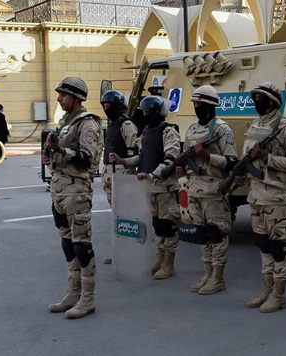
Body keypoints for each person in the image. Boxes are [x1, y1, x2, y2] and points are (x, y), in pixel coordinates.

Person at [236, 82, 286, 313]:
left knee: (279, 247)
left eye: (261, 98)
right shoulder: (255, 125)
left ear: (272, 101)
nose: (257, 102)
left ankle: (279, 294)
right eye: (255, 99)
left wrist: (268, 158)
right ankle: (266, 289)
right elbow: (247, 159)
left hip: (276, 198)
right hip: (256, 197)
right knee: (263, 245)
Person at [42, 76, 102, 319]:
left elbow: (87, 159)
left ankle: (87, 299)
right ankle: (73, 293)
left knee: (81, 244)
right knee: (67, 243)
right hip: (59, 191)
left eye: (63, 95)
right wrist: (51, 156)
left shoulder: (88, 124)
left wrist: (60, 151)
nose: (59, 99)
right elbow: (62, 154)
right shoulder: (66, 122)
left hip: (77, 191)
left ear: (76, 98)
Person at [110, 95, 181, 280]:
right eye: (143, 112)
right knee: (157, 226)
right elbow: (142, 158)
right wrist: (123, 161)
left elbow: (170, 159)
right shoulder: (148, 131)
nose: (144, 115)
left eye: (147, 112)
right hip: (150, 188)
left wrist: (152, 175)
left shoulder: (168, 131)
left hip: (164, 187)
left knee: (168, 225)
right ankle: (160, 259)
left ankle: (168, 264)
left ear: (156, 112)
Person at [176, 85, 238, 295]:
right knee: (202, 235)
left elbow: (231, 162)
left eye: (200, 104)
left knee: (217, 233)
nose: (196, 107)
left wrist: (207, 157)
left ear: (210, 106)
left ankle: (218, 277)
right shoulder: (192, 129)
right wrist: (180, 168)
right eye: (195, 103)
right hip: (194, 189)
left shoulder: (222, 129)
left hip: (213, 190)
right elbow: (185, 156)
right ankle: (208, 273)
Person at [100, 90, 138, 207]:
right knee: (115, 207)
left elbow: (133, 153)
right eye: (104, 106)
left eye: (108, 106)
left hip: (121, 170)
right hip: (109, 171)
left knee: (124, 207)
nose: (106, 109)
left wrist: (126, 177)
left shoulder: (126, 125)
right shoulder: (112, 124)